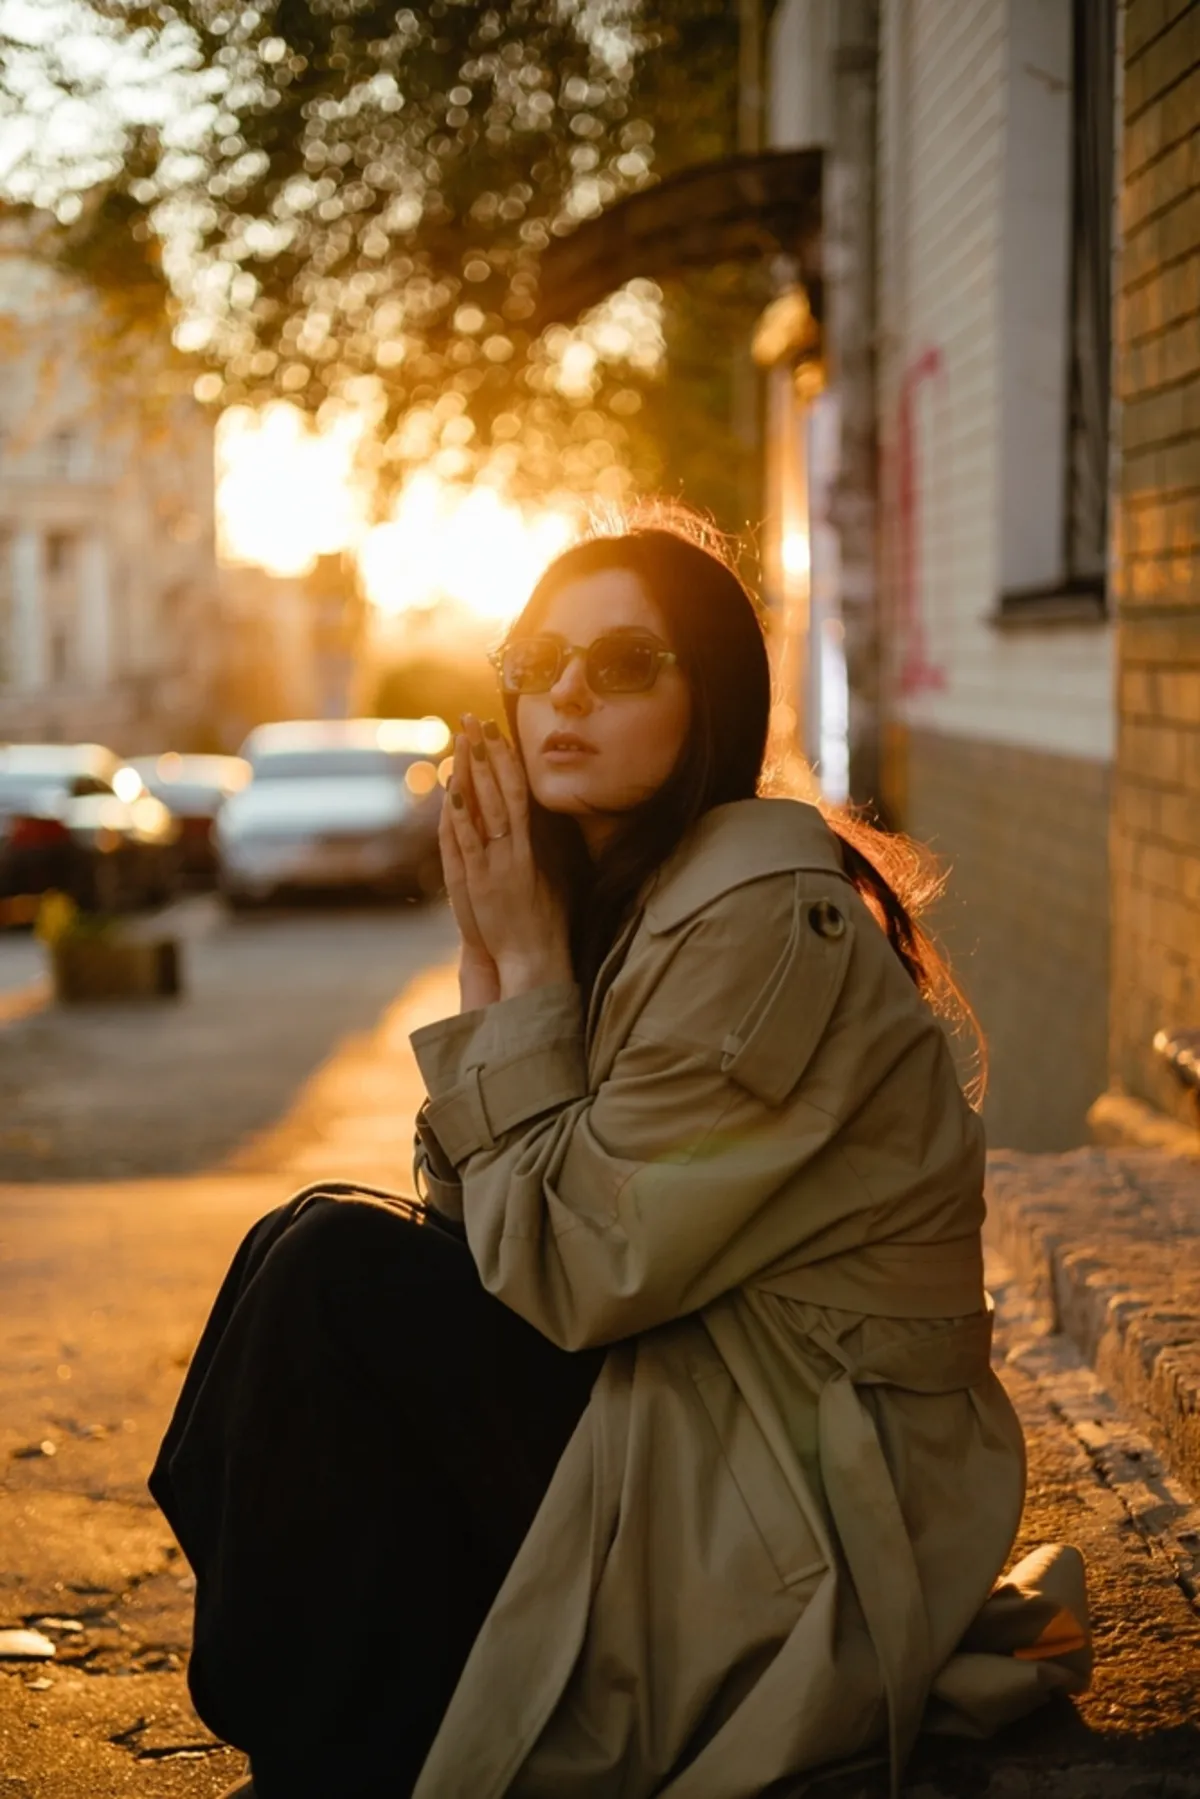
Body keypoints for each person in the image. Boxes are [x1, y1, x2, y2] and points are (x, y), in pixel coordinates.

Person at [151, 514, 1090, 1799]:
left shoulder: (769, 918)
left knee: (335, 1275)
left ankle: (337, 1747)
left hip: (794, 1475)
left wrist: (525, 974)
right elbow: (486, 1231)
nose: (567, 693)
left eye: (627, 660)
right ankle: (332, 1722)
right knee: (301, 1241)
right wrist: (498, 972)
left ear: (716, 694)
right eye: (538, 660)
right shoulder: (645, 900)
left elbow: (580, 1270)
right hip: (694, 1388)